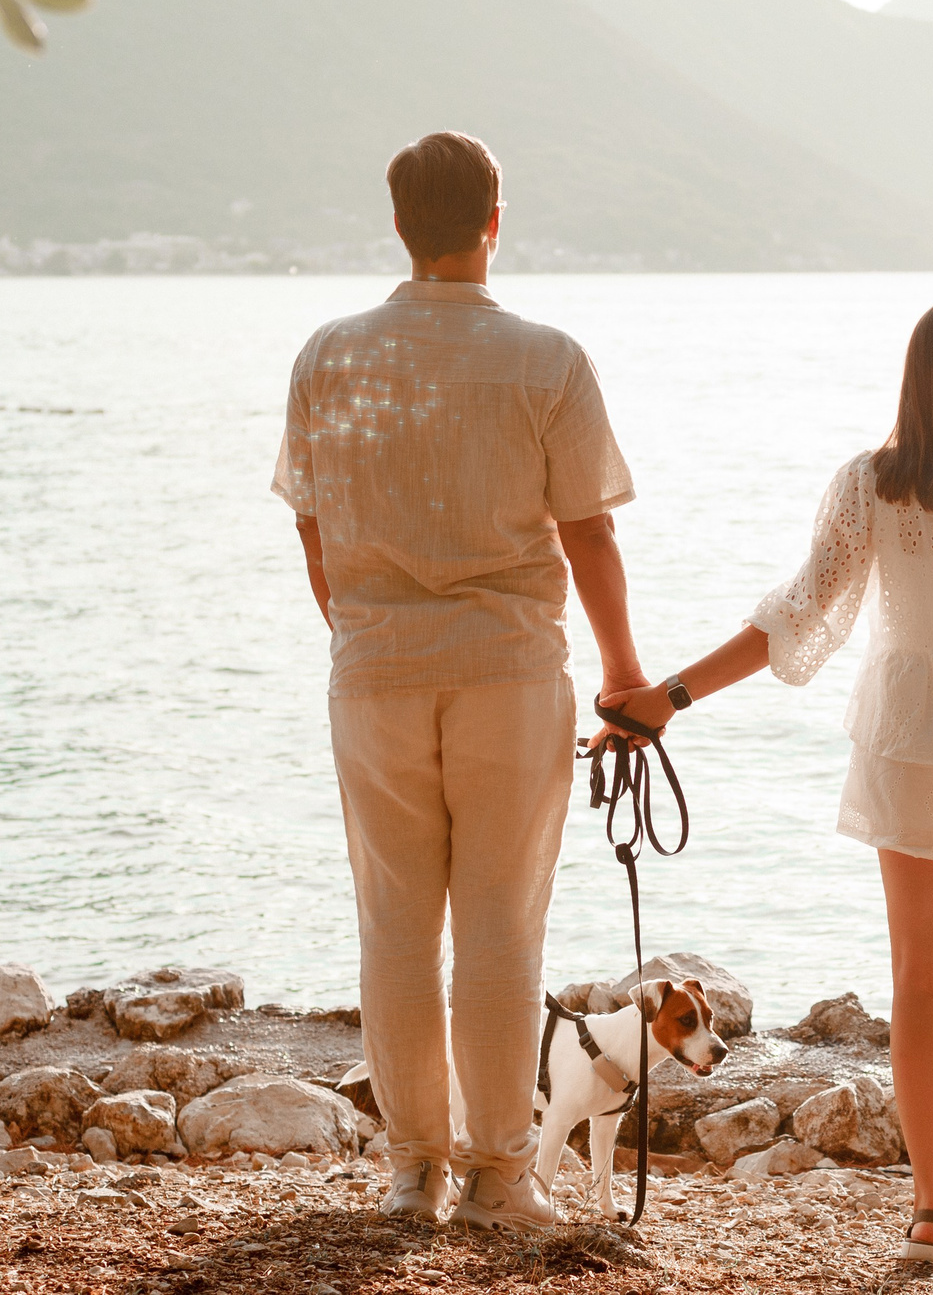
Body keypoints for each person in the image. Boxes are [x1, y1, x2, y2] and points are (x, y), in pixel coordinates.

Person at [599, 299, 933, 1276]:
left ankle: (931, 1208)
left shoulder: (870, 486)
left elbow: (796, 617)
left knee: (918, 985)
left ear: (914, 383)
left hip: (911, 743)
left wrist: (671, 696)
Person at [275, 131, 646, 1232]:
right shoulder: (548, 360)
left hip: (377, 672)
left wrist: (366, 637)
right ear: (495, 220)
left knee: (395, 925)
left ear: (399, 225)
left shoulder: (328, 355)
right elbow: (587, 537)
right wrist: (625, 675)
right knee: (498, 926)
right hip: (510, 673)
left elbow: (314, 532)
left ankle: (410, 1173)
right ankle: (498, 1177)